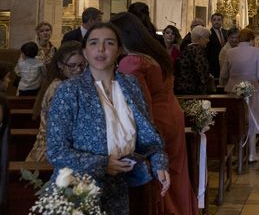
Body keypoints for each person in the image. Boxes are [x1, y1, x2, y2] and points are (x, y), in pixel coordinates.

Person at [47, 23, 169, 215]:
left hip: (123, 186)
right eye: (94, 43)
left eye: (109, 43)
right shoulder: (69, 90)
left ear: (119, 50)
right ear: (85, 52)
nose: (101, 49)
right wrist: (102, 163)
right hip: (78, 189)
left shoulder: (131, 85)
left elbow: (149, 136)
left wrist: (159, 163)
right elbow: (56, 150)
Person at [111, 12, 198, 215]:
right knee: (175, 168)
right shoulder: (154, 54)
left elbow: (139, 103)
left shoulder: (132, 61)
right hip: (172, 114)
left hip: (156, 119)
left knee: (160, 172)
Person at [26, 42, 86, 161]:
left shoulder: (70, 84)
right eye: (72, 65)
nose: (78, 70)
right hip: (51, 152)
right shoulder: (59, 87)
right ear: (60, 65)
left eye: (82, 65)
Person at [220, 28, 259, 163]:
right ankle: (252, 153)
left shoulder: (230, 52)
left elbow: (223, 74)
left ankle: (235, 152)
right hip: (252, 88)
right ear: (252, 39)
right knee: (251, 119)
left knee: (235, 120)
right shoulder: (257, 52)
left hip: (233, 91)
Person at [174, 26, 212, 95]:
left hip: (182, 88)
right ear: (200, 39)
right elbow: (202, 72)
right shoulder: (197, 50)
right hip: (192, 90)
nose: (208, 40)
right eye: (206, 38)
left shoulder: (188, 48)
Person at [206, 12, 227, 79]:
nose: (216, 22)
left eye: (219, 20)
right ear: (211, 21)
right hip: (214, 64)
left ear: (222, 21)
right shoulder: (208, 34)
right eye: (214, 20)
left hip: (226, 62)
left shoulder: (226, 32)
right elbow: (207, 52)